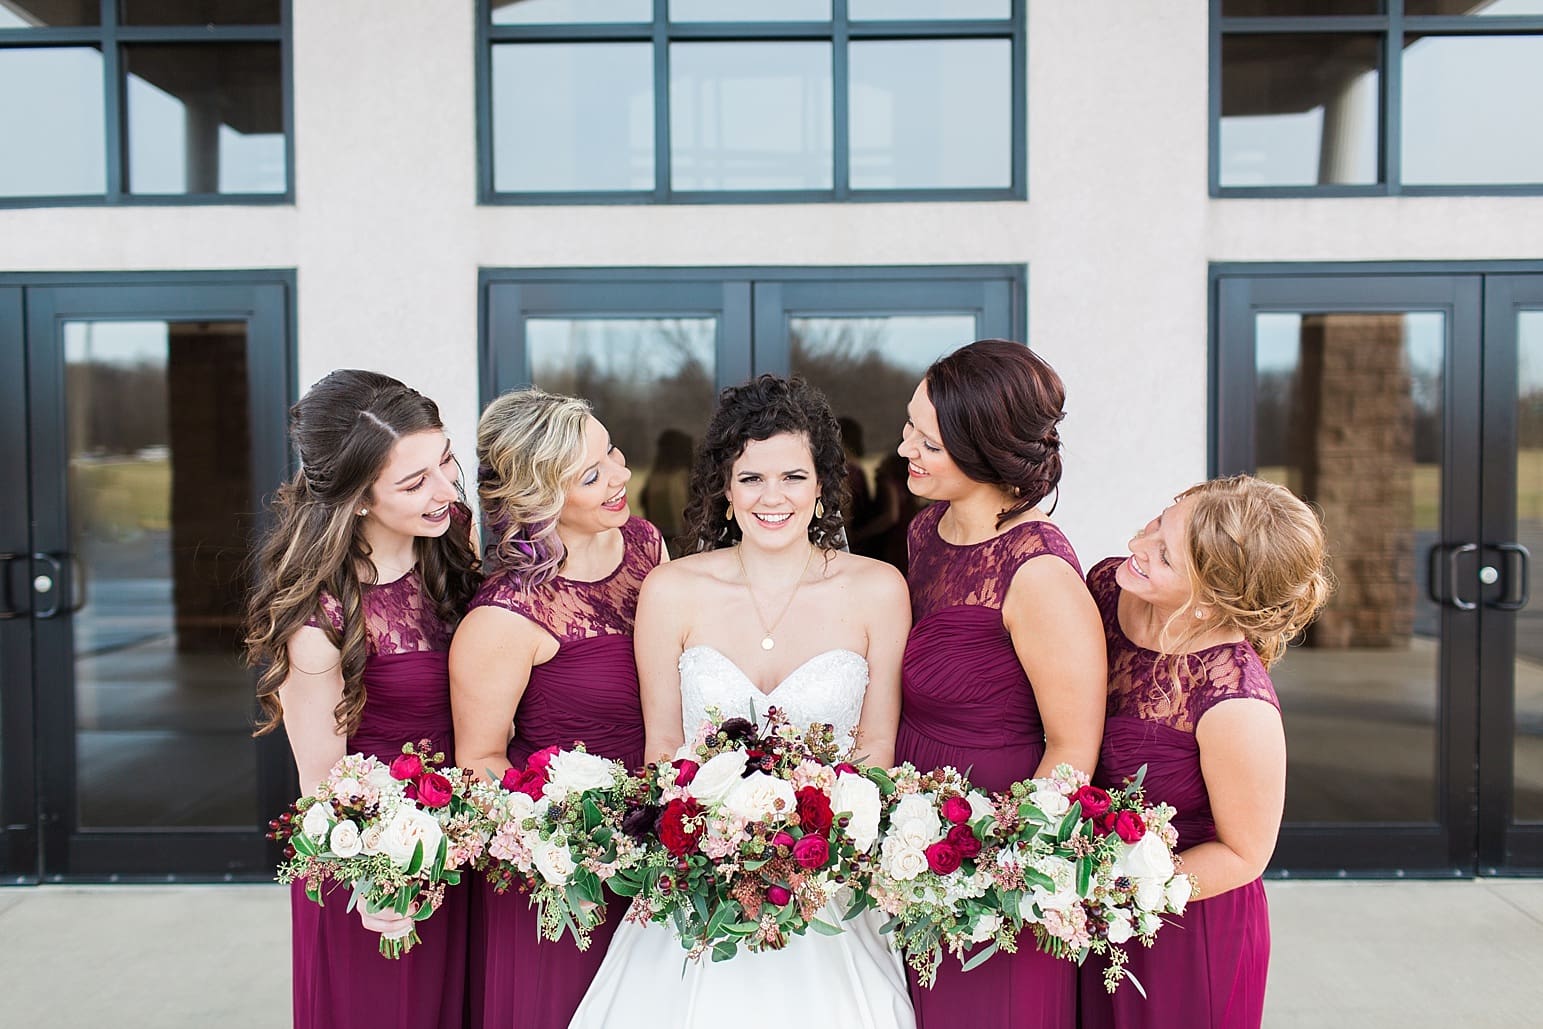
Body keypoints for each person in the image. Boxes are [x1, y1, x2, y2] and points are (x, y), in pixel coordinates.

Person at [570, 375, 915, 1029]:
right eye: (750, 477)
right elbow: (663, 748)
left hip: (826, 884)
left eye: (792, 475)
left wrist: (811, 844)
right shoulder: (672, 590)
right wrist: (715, 847)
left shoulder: (878, 589)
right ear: (724, 489)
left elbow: (876, 747)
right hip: (700, 882)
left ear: (822, 485)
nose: (772, 497)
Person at [246, 369, 481, 1029]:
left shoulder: (452, 537)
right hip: (382, 872)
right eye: (414, 482)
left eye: (445, 460)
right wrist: (377, 878)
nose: (444, 489)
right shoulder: (317, 623)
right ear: (355, 500)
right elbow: (324, 789)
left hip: (464, 849)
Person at [894, 338, 1106, 1027]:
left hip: (992, 858)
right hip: (910, 843)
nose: (903, 450)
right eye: (908, 428)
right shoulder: (927, 531)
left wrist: (992, 865)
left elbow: (1072, 748)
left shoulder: (1037, 571)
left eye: (926, 440)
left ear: (982, 451)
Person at [1077, 475, 1332, 1029]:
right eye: (1156, 523)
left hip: (1185, 931)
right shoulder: (1104, 588)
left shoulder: (1236, 701)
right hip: (1085, 915)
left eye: (1163, 555)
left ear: (1212, 598)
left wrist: (1114, 892)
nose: (1137, 546)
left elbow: (1244, 854)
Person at [450, 388, 664, 1029]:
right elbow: (481, 760)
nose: (620, 476)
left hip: (658, 840)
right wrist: (566, 839)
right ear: (541, 497)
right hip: (564, 866)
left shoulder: (647, 546)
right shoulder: (504, 615)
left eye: (614, 454)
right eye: (592, 475)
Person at [852, 451, 921, 574]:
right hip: (906, 536)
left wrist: (860, 534)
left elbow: (890, 516)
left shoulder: (888, 480)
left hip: (894, 540)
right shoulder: (908, 483)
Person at [639, 427, 693, 554]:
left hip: (657, 540)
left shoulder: (655, 477)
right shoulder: (680, 477)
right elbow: (681, 515)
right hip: (677, 544)